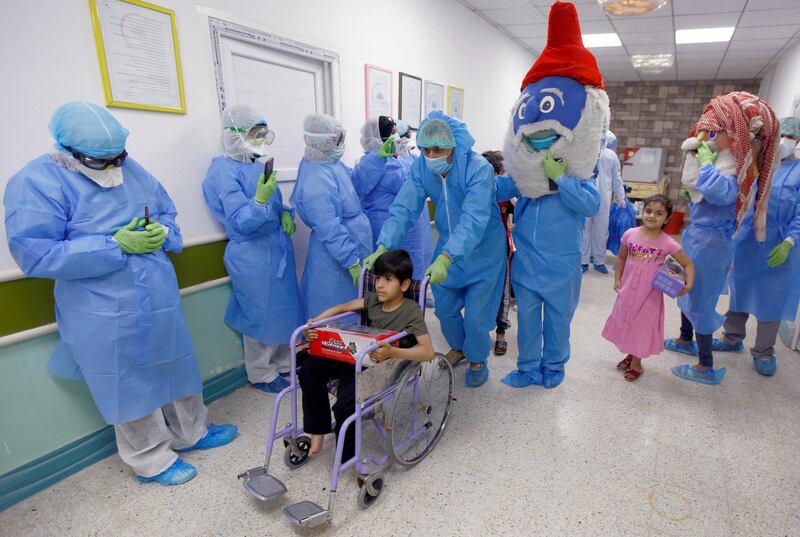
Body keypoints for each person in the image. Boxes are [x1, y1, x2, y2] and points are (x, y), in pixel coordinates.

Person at [3, 102, 237, 486]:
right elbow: (36, 254)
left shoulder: (130, 168)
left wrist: (164, 232)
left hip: (157, 295)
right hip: (100, 306)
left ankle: (192, 432)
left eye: (119, 157)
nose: (114, 167)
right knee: (125, 381)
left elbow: (165, 210)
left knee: (175, 364)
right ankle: (151, 460)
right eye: (102, 161)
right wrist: (115, 245)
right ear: (70, 152)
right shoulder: (35, 183)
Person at [498, 1, 606, 389]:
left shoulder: (578, 176)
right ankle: (527, 368)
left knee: (557, 319)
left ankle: (554, 369)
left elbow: (590, 205)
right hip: (527, 260)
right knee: (527, 318)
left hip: (561, 265)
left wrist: (562, 179)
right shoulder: (526, 178)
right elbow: (499, 188)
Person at [364, 111, 506, 388]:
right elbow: (404, 207)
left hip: (484, 252)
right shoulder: (422, 167)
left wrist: (447, 257)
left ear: (456, 144)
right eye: (426, 149)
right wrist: (384, 244)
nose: (431, 155)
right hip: (447, 248)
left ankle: (478, 358)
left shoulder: (478, 168)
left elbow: (474, 219)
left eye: (438, 149)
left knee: (477, 317)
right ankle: (459, 347)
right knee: (444, 309)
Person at [667, 92, 779, 385]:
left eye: (712, 133)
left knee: (701, 299)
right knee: (687, 290)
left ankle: (705, 367)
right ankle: (684, 339)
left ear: (733, 138)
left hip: (712, 243)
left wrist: (705, 165)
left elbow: (723, 194)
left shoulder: (735, 171)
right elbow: (699, 190)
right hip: (698, 236)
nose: (704, 139)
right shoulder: (718, 161)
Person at [202, 105, 300, 394]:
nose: (259, 140)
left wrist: (284, 212)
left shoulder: (257, 164)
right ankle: (260, 371)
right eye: (254, 134)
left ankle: (283, 363)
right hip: (250, 253)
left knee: (284, 308)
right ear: (234, 134)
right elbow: (240, 222)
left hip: (275, 245)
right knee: (258, 312)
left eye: (262, 134)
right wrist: (258, 202)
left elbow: (275, 200)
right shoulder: (221, 171)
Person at [300, 249, 433, 461]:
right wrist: (315, 323)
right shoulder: (373, 301)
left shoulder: (410, 310)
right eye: (378, 278)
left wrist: (393, 351)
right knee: (308, 369)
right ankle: (318, 431)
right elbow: (342, 307)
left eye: (388, 280)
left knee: (345, 405)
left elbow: (427, 352)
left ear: (405, 285)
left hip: (381, 367)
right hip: (354, 356)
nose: (379, 284)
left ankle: (347, 458)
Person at [713, 116, 800, 376]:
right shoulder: (757, 164)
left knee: (771, 297)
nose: (784, 141)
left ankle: (763, 351)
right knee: (741, 287)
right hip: (748, 239)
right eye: (781, 136)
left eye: (791, 137)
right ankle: (732, 337)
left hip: (779, 244)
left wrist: (790, 241)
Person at [290, 113, 373, 321]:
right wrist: (351, 261)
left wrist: (378, 159)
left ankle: (351, 345)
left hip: (349, 245)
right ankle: (331, 350)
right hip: (335, 257)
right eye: (337, 140)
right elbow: (329, 227)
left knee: (353, 306)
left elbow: (357, 183)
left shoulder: (331, 164)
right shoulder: (316, 178)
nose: (341, 144)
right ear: (323, 141)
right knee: (334, 309)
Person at [602, 195, 695, 381]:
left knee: (641, 325)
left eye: (659, 213)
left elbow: (687, 264)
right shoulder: (630, 234)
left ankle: (637, 362)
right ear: (642, 212)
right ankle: (630, 354)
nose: (652, 215)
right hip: (628, 291)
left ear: (667, 219)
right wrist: (617, 279)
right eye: (649, 211)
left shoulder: (668, 243)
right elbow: (621, 258)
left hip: (650, 296)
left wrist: (688, 284)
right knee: (628, 321)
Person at [353, 116, 432, 280]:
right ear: (380, 138)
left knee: (398, 269)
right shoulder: (381, 162)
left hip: (393, 223)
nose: (397, 137)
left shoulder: (384, 160)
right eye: (393, 133)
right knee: (393, 271)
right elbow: (408, 188)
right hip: (387, 224)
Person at [482, 150, 515, 356]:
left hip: (500, 250)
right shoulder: (475, 194)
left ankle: (501, 333)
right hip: (477, 250)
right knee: (479, 293)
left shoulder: (506, 198)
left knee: (502, 290)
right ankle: (479, 332)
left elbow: (512, 223)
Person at [581, 130, 626, 274]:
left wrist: (621, 196)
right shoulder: (585, 153)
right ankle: (583, 261)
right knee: (584, 230)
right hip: (586, 197)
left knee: (601, 230)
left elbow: (616, 177)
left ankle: (599, 260)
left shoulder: (610, 156)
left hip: (603, 199)